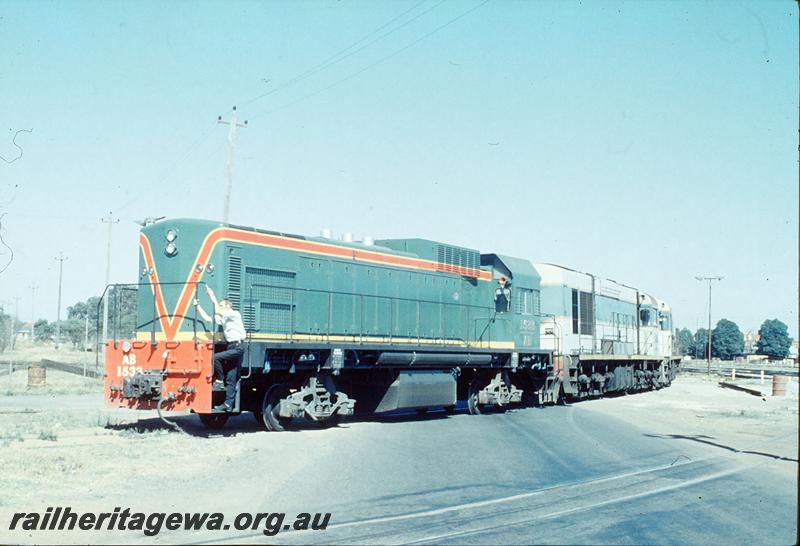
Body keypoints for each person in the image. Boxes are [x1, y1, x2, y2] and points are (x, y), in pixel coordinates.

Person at [194, 286, 246, 412]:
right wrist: (197, 307)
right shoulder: (224, 317)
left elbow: (217, 309)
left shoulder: (234, 314)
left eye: (222, 305)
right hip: (231, 346)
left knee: (215, 358)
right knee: (231, 377)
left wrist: (211, 295)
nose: (220, 307)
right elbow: (207, 318)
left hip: (238, 346)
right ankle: (228, 404)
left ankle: (219, 380)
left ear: (228, 306)